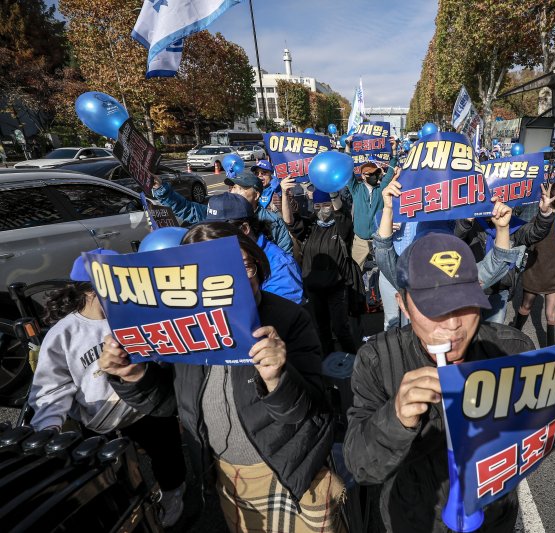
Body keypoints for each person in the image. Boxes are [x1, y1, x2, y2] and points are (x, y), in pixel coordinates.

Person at [343, 232, 555, 533]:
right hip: (414, 519)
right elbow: (360, 467)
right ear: (403, 305)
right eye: (434, 308)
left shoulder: (511, 349)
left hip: (493, 518)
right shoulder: (377, 360)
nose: (453, 325)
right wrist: (396, 418)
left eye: (464, 304)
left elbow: (547, 413)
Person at [100, 222, 344, 533]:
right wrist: (133, 375)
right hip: (223, 473)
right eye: (207, 273)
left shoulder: (288, 319)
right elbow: (169, 403)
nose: (235, 281)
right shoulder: (181, 325)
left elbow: (308, 411)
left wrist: (277, 379)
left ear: (258, 264)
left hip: (286, 471)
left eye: (244, 266)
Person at [29, 250, 186, 527]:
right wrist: (47, 431)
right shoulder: (64, 334)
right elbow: (51, 389)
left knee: (168, 458)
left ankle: (174, 497)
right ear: (89, 289)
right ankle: (131, 513)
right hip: (101, 420)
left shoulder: (139, 315)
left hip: (146, 409)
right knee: (112, 476)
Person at [374, 175, 527, 316]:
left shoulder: (462, 278)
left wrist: (502, 227)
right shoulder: (411, 278)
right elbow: (383, 251)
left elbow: (383, 250)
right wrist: (388, 208)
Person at [458, 183, 555, 325]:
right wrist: (465, 222)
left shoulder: (514, 225)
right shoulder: (471, 222)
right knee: (468, 333)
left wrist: (545, 214)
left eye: (498, 201)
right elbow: (453, 239)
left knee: (494, 333)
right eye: (489, 201)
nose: (494, 205)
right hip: (472, 287)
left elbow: (535, 233)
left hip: (500, 289)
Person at [288, 187, 360, 355]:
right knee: (322, 328)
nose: (322, 209)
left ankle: (353, 360)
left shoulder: (342, 226)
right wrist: (285, 195)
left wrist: (333, 193)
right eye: (318, 205)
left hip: (337, 286)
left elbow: (340, 211)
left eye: (326, 204)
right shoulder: (310, 226)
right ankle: (328, 362)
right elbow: (290, 222)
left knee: (340, 327)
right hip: (314, 287)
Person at [150, 170, 294, 254]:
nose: (233, 191)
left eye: (240, 188)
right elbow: (187, 208)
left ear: (256, 195)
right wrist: (161, 189)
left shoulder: (273, 221)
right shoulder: (218, 211)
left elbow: (285, 253)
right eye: (232, 187)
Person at [205, 192, 304, 305]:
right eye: (210, 230)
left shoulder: (279, 265)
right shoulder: (226, 255)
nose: (212, 237)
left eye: (218, 232)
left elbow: (283, 315)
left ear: (244, 228)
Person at [512, 180, 555, 345]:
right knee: (551, 314)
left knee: (525, 306)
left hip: (536, 271)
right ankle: (551, 352)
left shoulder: (541, 217)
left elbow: (528, 237)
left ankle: (515, 337)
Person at [345, 138, 398, 270]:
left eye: (376, 173)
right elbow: (347, 168)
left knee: (385, 271)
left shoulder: (382, 188)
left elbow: (390, 171)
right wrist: (348, 147)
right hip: (360, 240)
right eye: (370, 174)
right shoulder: (356, 189)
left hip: (379, 240)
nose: (374, 175)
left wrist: (394, 151)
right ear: (363, 176)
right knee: (355, 270)